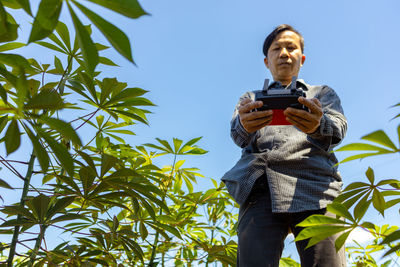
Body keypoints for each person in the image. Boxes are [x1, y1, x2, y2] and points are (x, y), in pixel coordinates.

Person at [221, 24, 347, 267]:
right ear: (267, 61)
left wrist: (318, 125)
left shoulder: (321, 93)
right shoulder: (251, 99)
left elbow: (339, 128)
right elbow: (237, 135)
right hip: (261, 187)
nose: (284, 53)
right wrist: (245, 125)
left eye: (291, 47)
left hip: (315, 186)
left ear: (302, 57)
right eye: (276, 48)